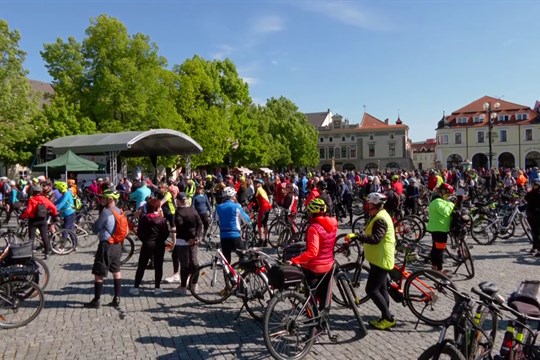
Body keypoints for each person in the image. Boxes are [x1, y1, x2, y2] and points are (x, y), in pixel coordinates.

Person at [347, 192, 396, 330]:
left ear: (374, 204)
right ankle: (384, 316)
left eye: (368, 203)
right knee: (382, 288)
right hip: (379, 258)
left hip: (381, 259)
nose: (366, 205)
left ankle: (388, 318)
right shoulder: (379, 215)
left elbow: (375, 239)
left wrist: (357, 236)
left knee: (371, 290)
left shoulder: (380, 219)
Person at [290, 198, 337, 312]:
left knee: (311, 295)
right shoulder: (333, 224)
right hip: (329, 265)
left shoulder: (313, 228)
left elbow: (313, 252)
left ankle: (311, 315)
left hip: (314, 267)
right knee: (325, 295)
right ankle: (322, 321)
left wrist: (295, 260)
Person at [84, 190, 124, 309]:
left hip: (106, 245)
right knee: (116, 271)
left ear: (110, 199)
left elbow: (96, 228)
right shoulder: (119, 211)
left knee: (99, 273)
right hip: (117, 245)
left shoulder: (106, 212)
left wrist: (93, 225)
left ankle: (96, 300)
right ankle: (117, 298)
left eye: (104, 198)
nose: (102, 200)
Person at [130, 198, 169, 295]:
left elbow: (139, 233)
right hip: (159, 244)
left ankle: (136, 287)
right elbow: (166, 233)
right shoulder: (162, 220)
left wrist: (145, 240)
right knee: (158, 266)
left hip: (147, 244)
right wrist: (161, 240)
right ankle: (157, 287)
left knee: (141, 266)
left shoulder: (145, 218)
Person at [173, 192, 203, 294]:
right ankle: (194, 284)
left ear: (179, 201)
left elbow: (180, 226)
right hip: (194, 240)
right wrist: (196, 237)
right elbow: (200, 224)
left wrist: (188, 238)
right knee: (194, 262)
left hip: (183, 241)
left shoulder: (179, 212)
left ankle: (183, 287)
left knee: (184, 264)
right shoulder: (193, 210)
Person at [20, 185, 59, 258]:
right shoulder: (45, 199)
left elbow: (28, 211)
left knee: (31, 238)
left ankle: (30, 254)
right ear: (41, 191)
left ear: (34, 192)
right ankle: (47, 253)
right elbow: (53, 208)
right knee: (44, 236)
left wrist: (22, 216)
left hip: (33, 221)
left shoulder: (32, 200)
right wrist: (55, 214)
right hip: (42, 220)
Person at [216, 187, 251, 264]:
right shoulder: (236, 206)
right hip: (235, 236)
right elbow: (247, 220)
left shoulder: (218, 207)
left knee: (226, 261)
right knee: (243, 256)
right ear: (232, 196)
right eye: (235, 195)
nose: (235, 197)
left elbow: (216, 220)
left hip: (223, 237)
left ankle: (227, 275)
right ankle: (240, 273)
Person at [426, 183, 455, 274]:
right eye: (447, 195)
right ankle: (439, 269)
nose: (448, 197)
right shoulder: (438, 202)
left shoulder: (438, 201)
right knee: (440, 250)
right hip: (440, 229)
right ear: (442, 192)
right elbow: (445, 212)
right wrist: (451, 203)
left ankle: (434, 266)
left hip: (437, 228)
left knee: (435, 248)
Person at [254, 179, 272, 244]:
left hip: (263, 208)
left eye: (257, 183)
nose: (255, 184)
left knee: (259, 223)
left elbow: (254, 199)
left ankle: (261, 240)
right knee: (265, 223)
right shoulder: (263, 190)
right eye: (255, 183)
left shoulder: (258, 189)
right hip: (268, 207)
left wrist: (251, 206)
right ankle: (266, 240)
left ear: (260, 184)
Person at [525, 179, 540, 255]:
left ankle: (537, 249)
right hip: (532, 215)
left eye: (536, 185)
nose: (535, 186)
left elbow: (526, 198)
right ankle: (534, 248)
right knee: (534, 232)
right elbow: (526, 198)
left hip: (535, 215)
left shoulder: (535, 193)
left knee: (535, 233)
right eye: (535, 185)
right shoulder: (532, 193)